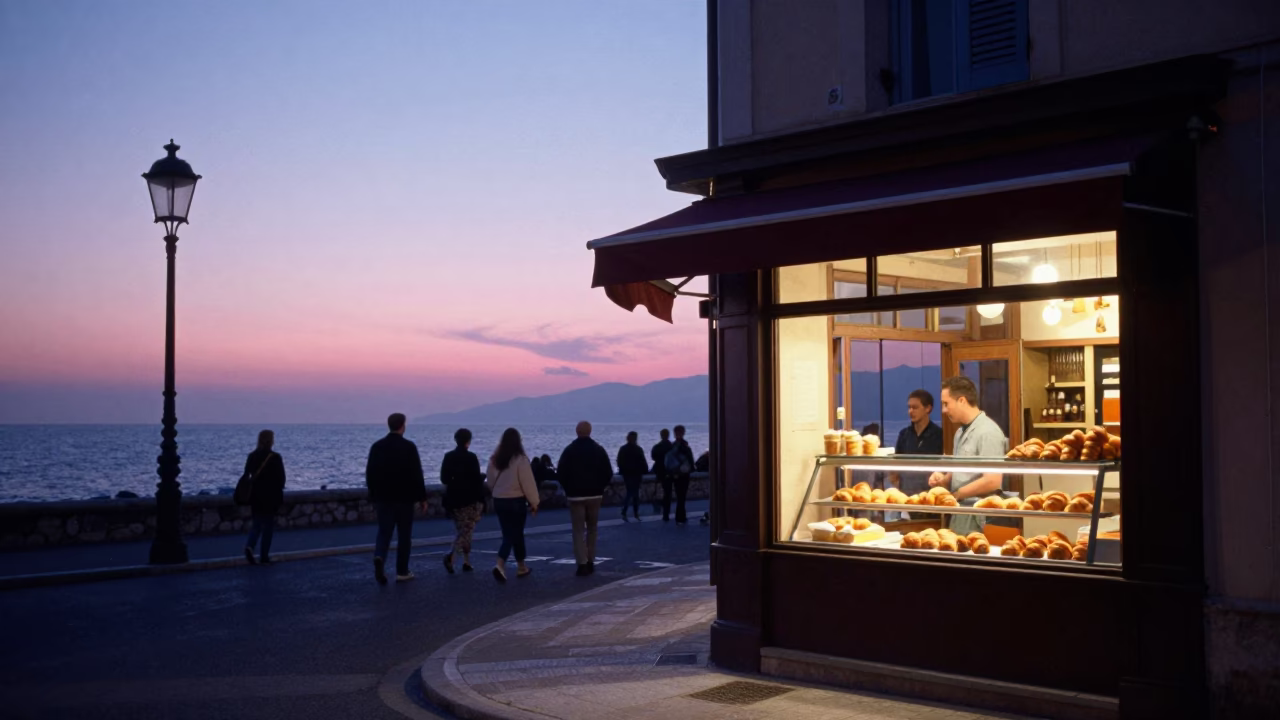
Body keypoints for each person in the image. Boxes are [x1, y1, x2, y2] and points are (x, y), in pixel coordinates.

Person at [928, 376, 1009, 536]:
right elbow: (963, 467)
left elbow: (993, 480)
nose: (944, 410)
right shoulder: (959, 432)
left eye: (946, 404)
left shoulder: (988, 432)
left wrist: (956, 495)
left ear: (962, 401)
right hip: (960, 513)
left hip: (979, 517)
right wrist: (944, 479)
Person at [365, 413, 428, 585]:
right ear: (402, 426)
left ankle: (379, 556)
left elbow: (370, 473)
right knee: (404, 535)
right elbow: (417, 474)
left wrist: (373, 494)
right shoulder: (409, 447)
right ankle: (402, 571)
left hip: (383, 498)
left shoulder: (377, 447)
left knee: (384, 531)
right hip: (404, 498)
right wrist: (422, 498)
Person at [558, 421, 614, 576]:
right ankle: (591, 560)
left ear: (577, 431)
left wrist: (569, 489)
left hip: (576, 496)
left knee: (577, 530)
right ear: (590, 431)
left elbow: (561, 472)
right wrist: (600, 487)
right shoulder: (599, 450)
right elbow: (608, 472)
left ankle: (581, 563)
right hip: (595, 495)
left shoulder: (569, 451)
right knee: (592, 529)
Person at [487, 427, 540, 582]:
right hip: (516, 501)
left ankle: (521, 566)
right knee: (512, 533)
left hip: (499, 500)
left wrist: (497, 491)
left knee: (512, 533)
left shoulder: (494, 459)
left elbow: (490, 481)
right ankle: (500, 563)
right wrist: (534, 502)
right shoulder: (520, 460)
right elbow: (528, 483)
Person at [441, 428, 485, 574]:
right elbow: (476, 480)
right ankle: (452, 557)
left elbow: (444, 479)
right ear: (468, 441)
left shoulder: (448, 457)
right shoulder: (471, 457)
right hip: (469, 499)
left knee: (463, 529)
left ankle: (467, 561)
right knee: (466, 530)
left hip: (454, 498)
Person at [888, 389, 944, 496]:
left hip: (930, 496)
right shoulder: (904, 434)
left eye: (915, 407)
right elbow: (896, 463)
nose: (910, 411)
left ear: (928, 408)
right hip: (906, 496)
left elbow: (943, 467)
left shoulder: (939, 435)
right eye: (909, 407)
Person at [242, 429, 285, 565]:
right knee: (268, 527)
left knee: (257, 524)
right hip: (270, 496)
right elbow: (281, 478)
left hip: (255, 495)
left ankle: (250, 545)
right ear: (271, 440)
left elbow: (246, 474)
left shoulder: (252, 456)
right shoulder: (275, 457)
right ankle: (264, 556)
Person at [664, 425, 697, 525]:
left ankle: (679, 516)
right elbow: (691, 461)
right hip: (684, 474)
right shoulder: (685, 446)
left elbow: (666, 461)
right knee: (682, 496)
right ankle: (681, 517)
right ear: (683, 433)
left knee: (679, 495)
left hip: (674, 474)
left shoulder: (671, 446)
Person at [616, 430, 648, 522]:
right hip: (637, 474)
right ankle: (635, 512)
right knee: (635, 493)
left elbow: (619, 462)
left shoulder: (623, 449)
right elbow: (643, 462)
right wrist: (645, 471)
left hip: (627, 474)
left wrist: (623, 470)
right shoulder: (638, 449)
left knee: (630, 492)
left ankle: (625, 511)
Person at [650, 428, 673, 520]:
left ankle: (661, 507)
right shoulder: (671, 446)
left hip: (659, 471)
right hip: (669, 471)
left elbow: (653, 457)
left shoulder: (657, 447)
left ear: (661, 435)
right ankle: (666, 512)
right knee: (668, 492)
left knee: (660, 490)